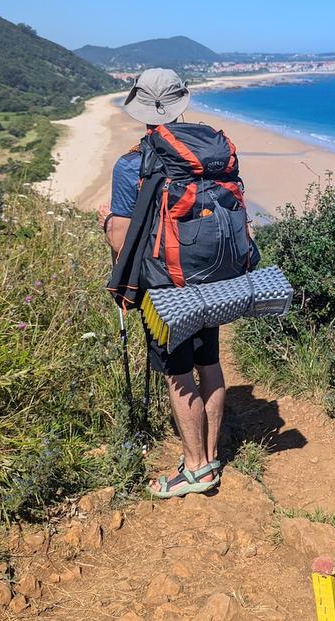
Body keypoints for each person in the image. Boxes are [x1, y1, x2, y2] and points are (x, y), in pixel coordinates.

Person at [97, 68, 224, 498]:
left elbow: (121, 235)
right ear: (181, 104)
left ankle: (195, 469)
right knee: (208, 363)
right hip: (213, 276)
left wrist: (108, 225)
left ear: (141, 109)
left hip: (165, 283)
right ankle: (211, 454)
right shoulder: (208, 151)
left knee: (176, 371)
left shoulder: (133, 162)